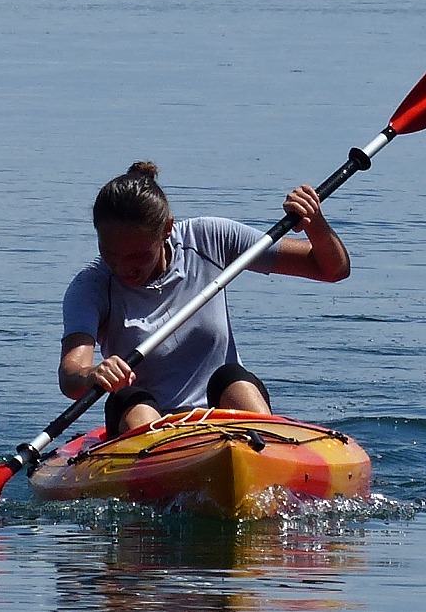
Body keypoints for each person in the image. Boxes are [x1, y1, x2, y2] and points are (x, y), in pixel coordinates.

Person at [58, 161, 350, 439]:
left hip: (224, 412)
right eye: (110, 253)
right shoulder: (90, 286)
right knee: (133, 401)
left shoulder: (211, 239)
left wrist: (315, 223)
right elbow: (71, 375)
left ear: (167, 229)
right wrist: (93, 374)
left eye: (139, 256)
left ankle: (266, 444)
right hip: (143, 420)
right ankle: (162, 464)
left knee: (233, 378)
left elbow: (330, 269)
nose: (123, 268)